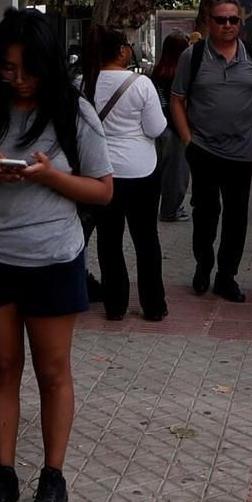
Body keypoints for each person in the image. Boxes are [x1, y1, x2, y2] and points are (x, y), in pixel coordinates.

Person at [0, 8, 114, 502]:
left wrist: (49, 176)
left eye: (27, 70)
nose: (17, 80)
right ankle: (4, 475)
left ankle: (53, 476)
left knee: (52, 371)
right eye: (8, 69)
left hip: (52, 259)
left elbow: (103, 190)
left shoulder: (73, 111)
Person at [168, 0, 252, 303]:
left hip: (242, 152)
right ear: (209, 23)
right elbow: (177, 99)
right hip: (203, 150)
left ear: (240, 23)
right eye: (221, 19)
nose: (227, 25)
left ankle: (226, 276)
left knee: (236, 216)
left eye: (233, 20)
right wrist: (188, 140)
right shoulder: (194, 55)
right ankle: (203, 265)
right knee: (205, 213)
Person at [86, 25, 170, 322]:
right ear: (122, 51)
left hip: (102, 172)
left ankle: (115, 305)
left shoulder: (87, 83)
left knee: (109, 240)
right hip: (141, 171)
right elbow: (157, 128)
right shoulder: (142, 84)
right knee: (146, 238)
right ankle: (154, 305)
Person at [152, 31, 193, 221]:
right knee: (177, 172)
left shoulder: (157, 73)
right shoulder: (181, 75)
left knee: (162, 170)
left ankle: (163, 207)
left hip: (160, 128)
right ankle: (170, 210)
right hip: (178, 130)